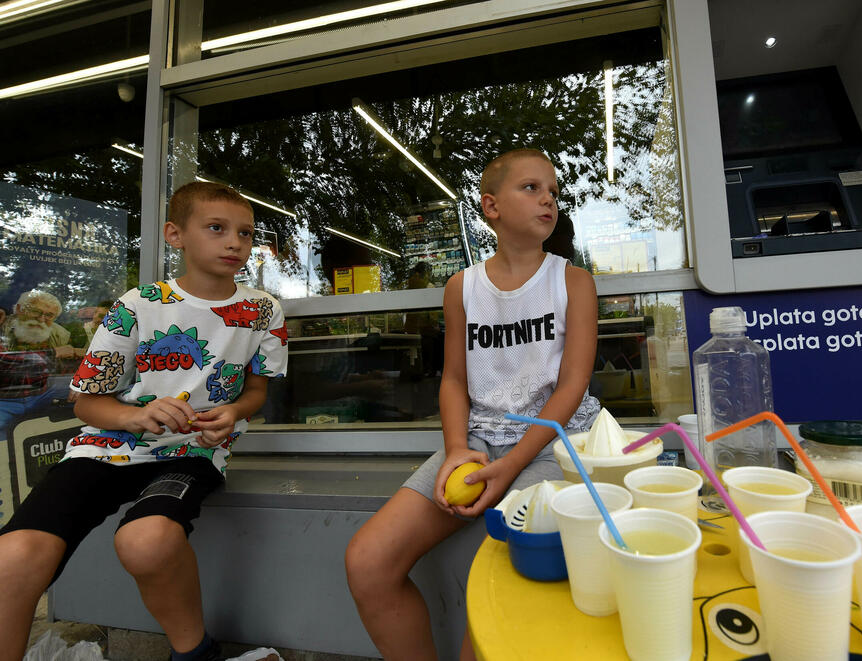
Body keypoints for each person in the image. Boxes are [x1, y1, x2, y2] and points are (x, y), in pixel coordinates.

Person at [0, 181, 288, 661]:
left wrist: (234, 412)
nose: (234, 242)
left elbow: (257, 390)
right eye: (216, 228)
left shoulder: (263, 310)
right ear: (175, 235)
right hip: (105, 446)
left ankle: (195, 653)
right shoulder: (137, 305)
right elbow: (88, 404)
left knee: (146, 541)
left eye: (245, 232)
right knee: (13, 556)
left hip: (192, 450)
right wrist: (137, 414)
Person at [345, 148, 601, 661]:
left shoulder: (573, 282)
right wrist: (458, 450)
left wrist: (509, 468)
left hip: (554, 444)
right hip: (478, 441)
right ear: (491, 206)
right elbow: (455, 380)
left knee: (498, 596)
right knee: (367, 560)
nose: (547, 198)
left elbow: (571, 387)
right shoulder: (463, 287)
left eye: (552, 190)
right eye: (531, 188)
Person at [0, 290, 84, 440]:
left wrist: (80, 380)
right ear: (19, 310)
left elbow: (59, 367)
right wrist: (54, 352)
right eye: (35, 311)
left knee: (90, 390)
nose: (41, 319)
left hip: (42, 391)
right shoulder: (3, 328)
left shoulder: (58, 334)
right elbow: (6, 364)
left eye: (49, 315)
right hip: (4, 399)